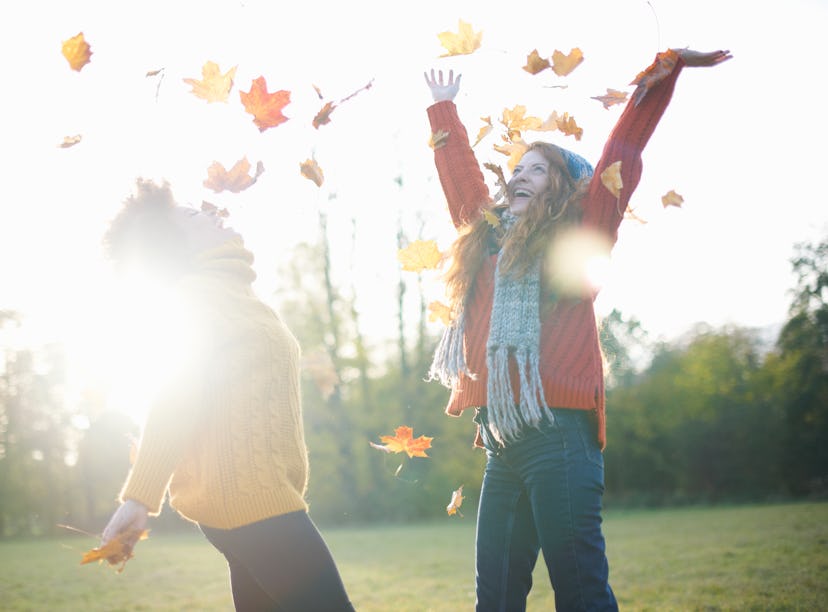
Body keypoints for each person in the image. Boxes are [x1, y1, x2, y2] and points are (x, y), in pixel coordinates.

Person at [424, 47, 732, 611]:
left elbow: (622, 155)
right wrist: (443, 110)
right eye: (516, 168)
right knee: (493, 597)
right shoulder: (489, 240)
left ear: (564, 188)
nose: (518, 175)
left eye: (536, 169)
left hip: (560, 438)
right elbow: (463, 187)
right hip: (502, 441)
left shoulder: (578, 238)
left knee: (581, 592)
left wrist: (654, 86)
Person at [97, 179, 354, 611]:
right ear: (173, 243)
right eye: (196, 215)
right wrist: (140, 496)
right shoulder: (195, 297)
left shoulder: (234, 293)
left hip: (252, 503)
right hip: (253, 506)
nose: (214, 212)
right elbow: (175, 394)